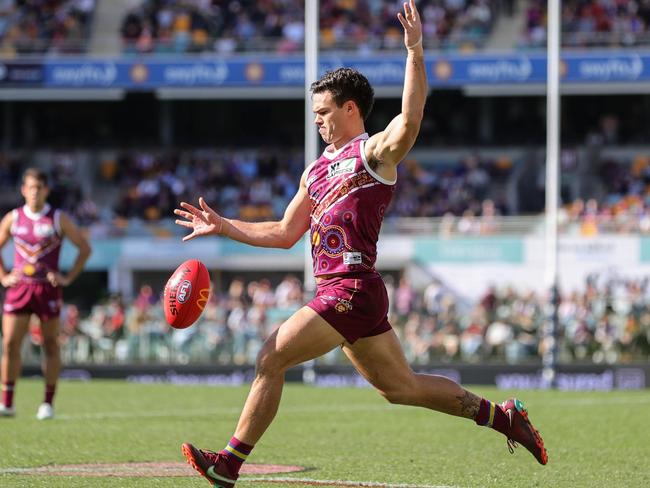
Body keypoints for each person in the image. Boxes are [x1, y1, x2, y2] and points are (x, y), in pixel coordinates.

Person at [174, 2, 547, 486]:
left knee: (270, 357)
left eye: (325, 112)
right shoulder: (316, 169)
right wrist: (225, 226)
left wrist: (414, 51)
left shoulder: (372, 154)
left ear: (350, 108)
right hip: (350, 290)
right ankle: (504, 417)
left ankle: (228, 464)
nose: (318, 122)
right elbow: (287, 233)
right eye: (315, 115)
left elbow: (409, 122)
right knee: (401, 387)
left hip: (348, 287)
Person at [0, 168, 91, 419]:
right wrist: (4, 276)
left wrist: (67, 277)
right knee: (9, 343)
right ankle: (7, 402)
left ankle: (47, 403)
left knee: (50, 343)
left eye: (38, 188)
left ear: (46, 190)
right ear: (22, 190)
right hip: (20, 287)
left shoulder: (57, 218)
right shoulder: (14, 218)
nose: (34, 192)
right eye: (30, 187)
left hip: (47, 289)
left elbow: (84, 248)